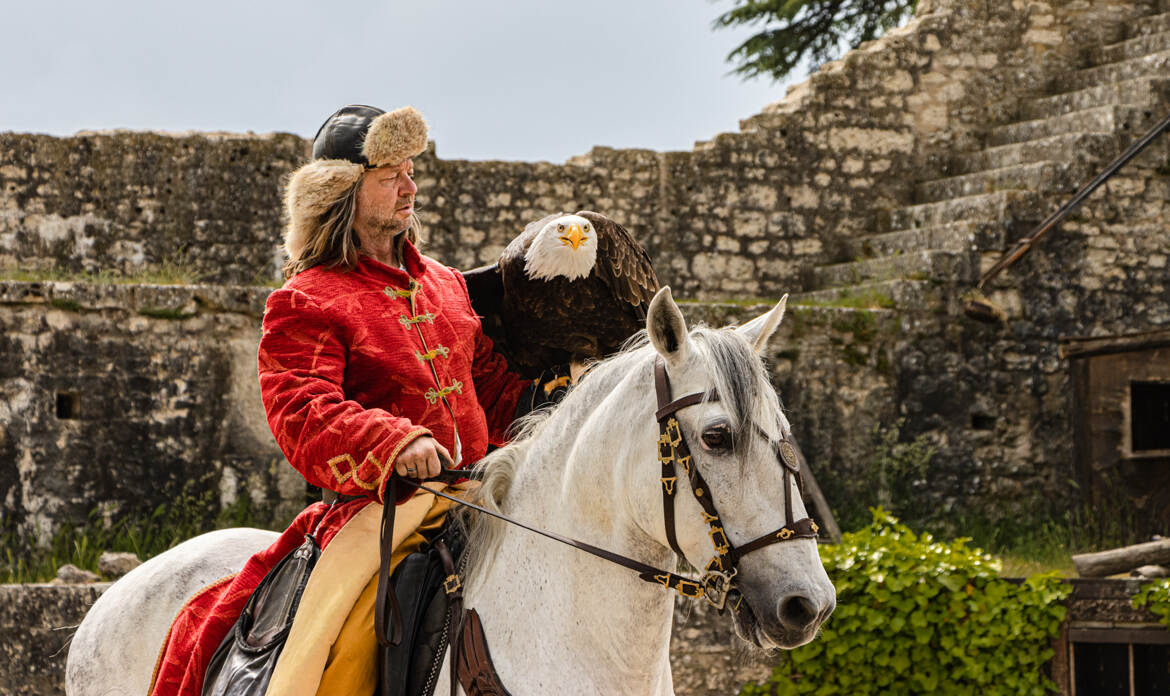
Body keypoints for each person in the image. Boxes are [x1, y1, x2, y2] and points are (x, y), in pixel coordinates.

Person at [148, 104, 532, 696]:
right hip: (380, 510)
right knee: (331, 655)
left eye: (410, 171)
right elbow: (302, 408)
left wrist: (556, 396)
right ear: (343, 194)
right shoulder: (307, 299)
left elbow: (489, 386)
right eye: (389, 177)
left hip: (484, 489)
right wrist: (394, 441)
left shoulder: (446, 283)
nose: (410, 187)